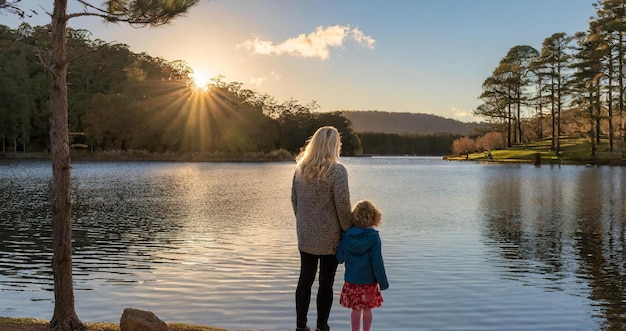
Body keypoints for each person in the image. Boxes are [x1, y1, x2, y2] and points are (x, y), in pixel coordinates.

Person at [291, 126, 352, 331]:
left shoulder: (300, 169)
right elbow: (343, 207)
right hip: (330, 238)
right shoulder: (337, 170)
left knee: (305, 279)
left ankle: (300, 326)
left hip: (305, 234)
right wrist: (349, 230)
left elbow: (295, 202)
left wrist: (304, 222)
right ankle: (321, 327)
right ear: (334, 145)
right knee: (326, 283)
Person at [337, 200, 389, 331]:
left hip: (352, 280)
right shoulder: (374, 237)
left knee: (355, 309)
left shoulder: (347, 236)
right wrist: (382, 282)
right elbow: (377, 261)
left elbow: (339, 257)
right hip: (369, 282)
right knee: (367, 309)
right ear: (374, 217)